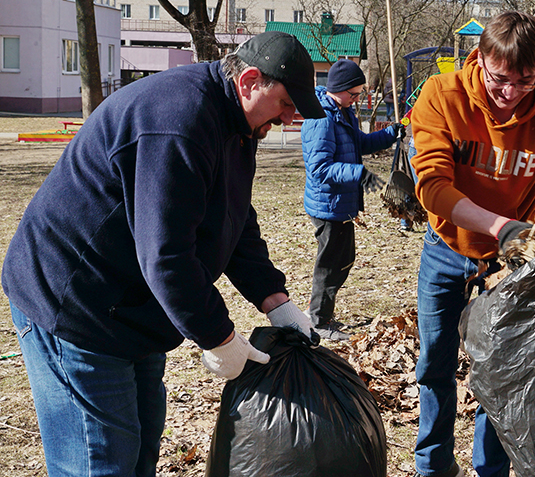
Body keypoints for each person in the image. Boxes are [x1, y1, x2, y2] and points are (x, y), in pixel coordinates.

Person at [1, 30, 326, 477]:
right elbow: (166, 255)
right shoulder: (179, 122)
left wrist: (276, 300)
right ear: (250, 80)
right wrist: (218, 336)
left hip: (132, 308)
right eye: (287, 104)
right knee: (102, 463)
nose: (290, 118)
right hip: (77, 303)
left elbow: (233, 217)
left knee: (138, 454)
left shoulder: (237, 125)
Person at [410, 10, 535, 477]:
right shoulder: (440, 96)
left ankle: (491, 470)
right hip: (446, 248)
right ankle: (434, 467)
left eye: (525, 81)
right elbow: (433, 186)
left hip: (511, 260)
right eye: (500, 80)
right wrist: (498, 225)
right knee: (435, 365)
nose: (510, 95)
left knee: (502, 368)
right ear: (479, 58)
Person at [301, 59, 404, 341]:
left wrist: (390, 134)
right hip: (328, 205)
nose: (357, 98)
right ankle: (319, 321)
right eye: (354, 93)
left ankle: (323, 313)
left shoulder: (343, 112)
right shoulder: (321, 118)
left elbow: (360, 143)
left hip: (340, 204)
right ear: (339, 89)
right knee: (331, 263)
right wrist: (359, 174)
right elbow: (320, 169)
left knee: (344, 258)